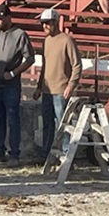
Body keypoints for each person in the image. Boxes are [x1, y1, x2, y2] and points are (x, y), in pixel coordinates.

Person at [0, 4, 34, 163]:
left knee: (13, 118)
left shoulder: (20, 35)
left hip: (10, 84)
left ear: (8, 17)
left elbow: (30, 58)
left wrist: (13, 73)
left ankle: (14, 153)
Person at [33, 9, 81, 159]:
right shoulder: (46, 41)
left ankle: (67, 155)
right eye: (43, 23)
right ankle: (47, 153)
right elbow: (45, 66)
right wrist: (39, 87)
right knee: (47, 123)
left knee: (63, 124)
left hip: (61, 90)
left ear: (55, 22)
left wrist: (71, 85)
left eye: (47, 23)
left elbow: (77, 65)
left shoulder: (67, 40)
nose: (45, 26)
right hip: (47, 90)